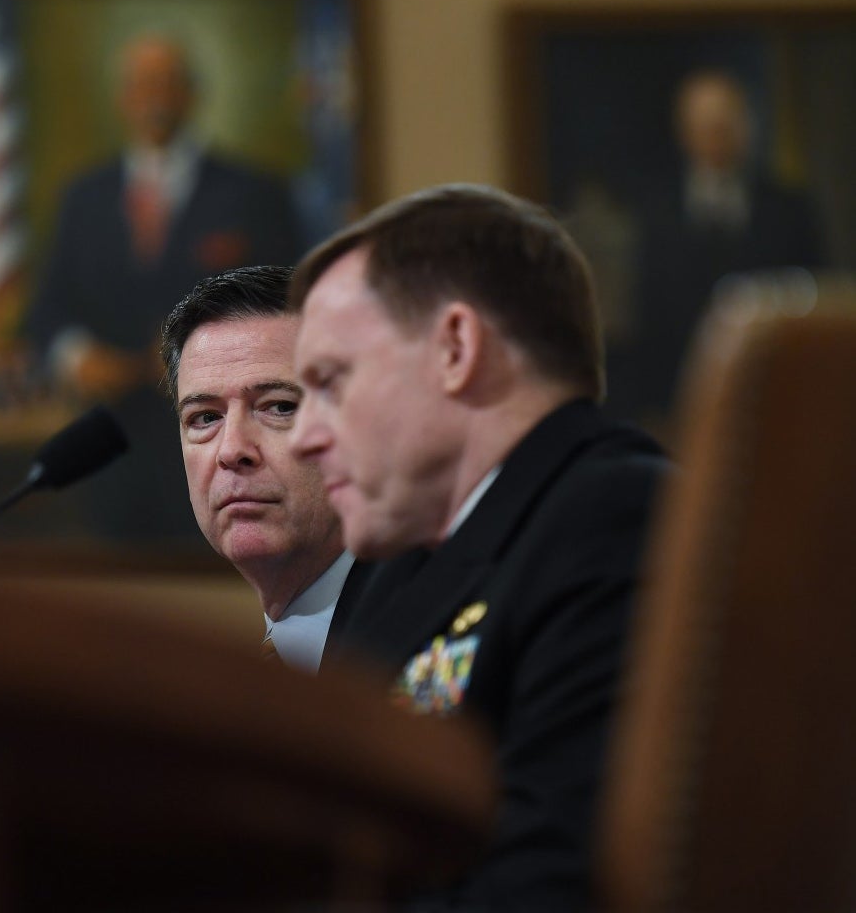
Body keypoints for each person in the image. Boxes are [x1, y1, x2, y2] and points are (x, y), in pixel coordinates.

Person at [288, 183, 671, 911]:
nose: (304, 436)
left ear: (456, 348)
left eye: (329, 382)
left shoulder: (615, 517)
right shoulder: (386, 565)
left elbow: (553, 888)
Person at [24, 33, 305, 543]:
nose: (154, 95)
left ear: (192, 94)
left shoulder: (255, 194)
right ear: (122, 97)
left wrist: (200, 352)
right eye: (141, 83)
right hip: (110, 441)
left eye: (168, 83)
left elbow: (290, 304)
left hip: (224, 440)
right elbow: (46, 308)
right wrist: (78, 355)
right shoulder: (83, 196)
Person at [160, 266, 367, 672]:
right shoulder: (214, 681)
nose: (232, 450)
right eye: (204, 418)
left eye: (280, 407)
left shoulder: (432, 628)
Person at [621, 67, 826, 425]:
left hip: (776, 395)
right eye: (706, 127)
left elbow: (817, 297)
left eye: (726, 124)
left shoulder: (789, 208)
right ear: (685, 132)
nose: (717, 137)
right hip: (681, 399)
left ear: (747, 126)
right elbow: (646, 312)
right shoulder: (656, 213)